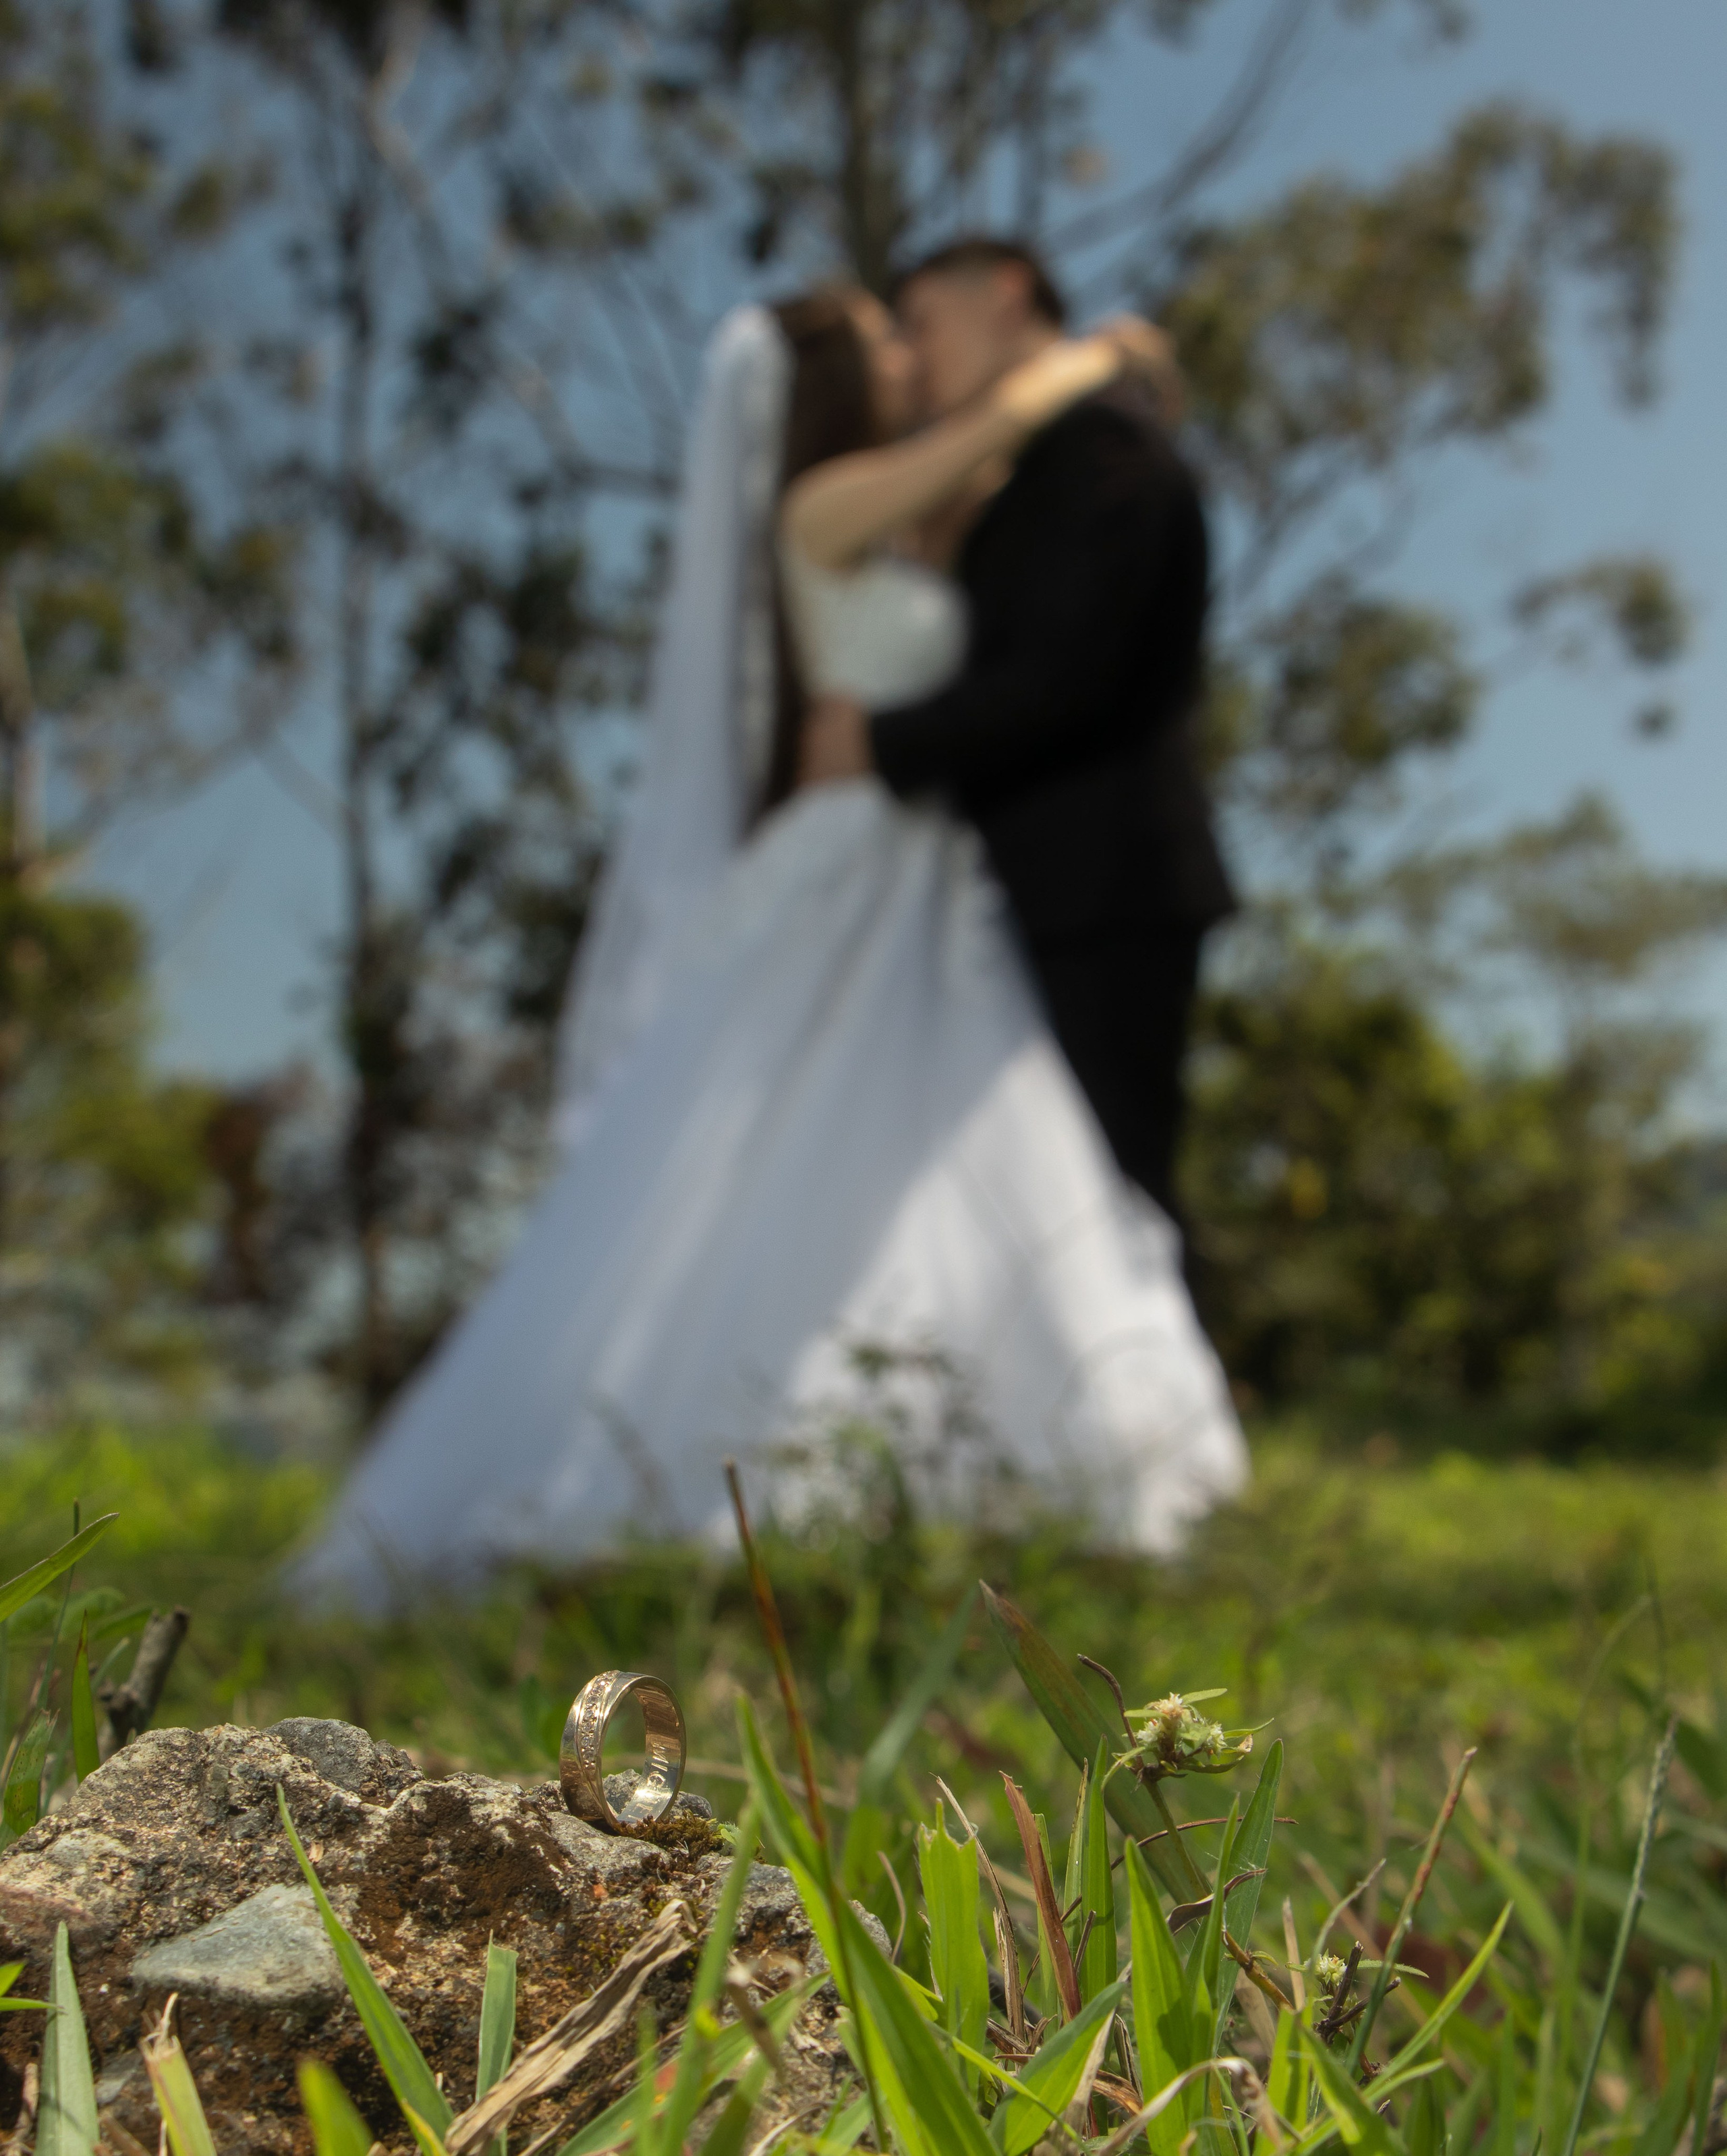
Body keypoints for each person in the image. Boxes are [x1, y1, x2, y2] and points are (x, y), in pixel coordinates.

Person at [296, 280, 1245, 1608]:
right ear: (831, 383)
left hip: (936, 878)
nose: (909, 350)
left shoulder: (921, 518)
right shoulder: (824, 505)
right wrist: (1086, 361)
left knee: (941, 1164)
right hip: (855, 866)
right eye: (885, 337)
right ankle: (715, 1465)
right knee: (787, 1154)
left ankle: (980, 1461)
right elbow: (994, 436)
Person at [800, 237, 1235, 1224]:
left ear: (1004, 297)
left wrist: (880, 744)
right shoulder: (1029, 464)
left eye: (923, 322)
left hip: (1101, 894)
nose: (913, 356)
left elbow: (1069, 677)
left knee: (1106, 1221)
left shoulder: (1102, 446)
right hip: (1030, 898)